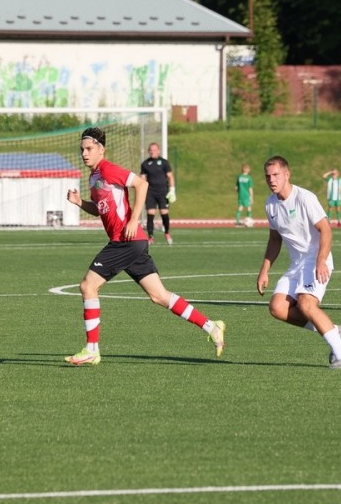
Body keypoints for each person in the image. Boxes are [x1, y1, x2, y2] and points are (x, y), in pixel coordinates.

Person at [64, 127, 225, 366]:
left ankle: (92, 349)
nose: (84, 154)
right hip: (132, 243)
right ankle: (211, 326)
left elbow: (142, 184)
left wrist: (133, 220)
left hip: (125, 241)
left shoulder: (108, 169)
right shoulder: (94, 177)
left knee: (88, 286)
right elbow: (100, 210)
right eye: (82, 150)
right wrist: (80, 202)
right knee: (159, 296)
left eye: (89, 149)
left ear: (101, 149)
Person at [256, 156, 341, 369]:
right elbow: (274, 239)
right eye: (268, 176)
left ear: (287, 175)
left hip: (317, 259)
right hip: (297, 264)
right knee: (277, 308)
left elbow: (326, 229)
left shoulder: (305, 198)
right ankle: (333, 330)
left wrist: (321, 260)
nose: (271, 180)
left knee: (306, 303)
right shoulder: (270, 204)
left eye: (276, 175)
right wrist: (264, 270)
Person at [139, 142, 175, 244]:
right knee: (150, 214)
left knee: (164, 213)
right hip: (150, 192)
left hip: (163, 192)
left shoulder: (164, 162)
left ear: (158, 151)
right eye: (151, 150)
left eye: (154, 150)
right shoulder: (145, 164)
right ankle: (150, 236)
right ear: (148, 151)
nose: (152, 152)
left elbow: (170, 177)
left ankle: (167, 233)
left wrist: (172, 191)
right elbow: (142, 179)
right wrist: (141, 190)